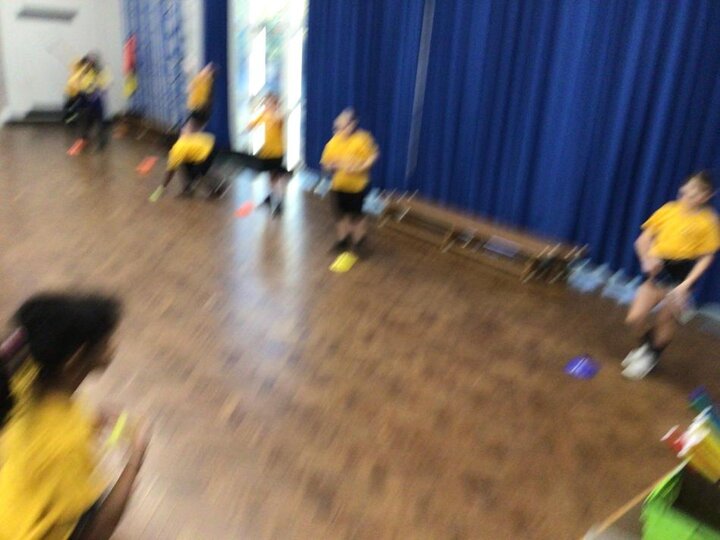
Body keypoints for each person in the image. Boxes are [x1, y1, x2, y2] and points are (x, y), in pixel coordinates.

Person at [0, 292, 150, 539]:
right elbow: (96, 532)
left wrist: (86, 423)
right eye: (106, 341)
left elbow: (41, 429)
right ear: (75, 360)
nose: (113, 345)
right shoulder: (68, 449)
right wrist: (135, 460)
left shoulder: (25, 378)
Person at [622, 171, 720, 379]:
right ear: (683, 187)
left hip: (681, 273)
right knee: (635, 317)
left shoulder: (708, 221)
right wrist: (647, 260)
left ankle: (650, 356)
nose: (692, 194)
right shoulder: (667, 210)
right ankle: (646, 349)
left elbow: (706, 257)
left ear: (706, 196)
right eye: (690, 188)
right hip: (658, 270)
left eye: (699, 192)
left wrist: (686, 284)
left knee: (665, 321)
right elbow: (642, 241)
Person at [320, 108, 379, 254]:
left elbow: (373, 156)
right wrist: (331, 166)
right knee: (339, 216)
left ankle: (359, 242)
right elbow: (325, 164)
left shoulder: (362, 139)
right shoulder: (332, 143)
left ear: (352, 124)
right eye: (338, 127)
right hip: (338, 186)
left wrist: (361, 167)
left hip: (357, 187)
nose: (340, 130)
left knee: (356, 217)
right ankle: (343, 241)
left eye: (343, 126)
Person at [149, 117, 224, 202]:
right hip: (207, 143)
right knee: (186, 166)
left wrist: (162, 187)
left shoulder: (176, 151)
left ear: (168, 146)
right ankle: (188, 190)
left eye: (163, 148)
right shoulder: (180, 142)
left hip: (208, 150)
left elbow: (171, 172)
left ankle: (216, 188)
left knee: (198, 173)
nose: (163, 151)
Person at [243, 93, 290, 217]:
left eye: (269, 103)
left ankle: (280, 203)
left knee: (276, 177)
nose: (266, 105)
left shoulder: (278, 115)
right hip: (266, 152)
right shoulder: (263, 115)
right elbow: (251, 126)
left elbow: (279, 120)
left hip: (277, 152)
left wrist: (273, 112)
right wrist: (249, 124)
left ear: (275, 104)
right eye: (266, 103)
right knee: (270, 177)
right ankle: (271, 197)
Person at [69, 54, 112, 150]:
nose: (89, 64)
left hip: (96, 98)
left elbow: (105, 84)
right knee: (86, 119)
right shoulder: (82, 71)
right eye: (87, 62)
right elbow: (75, 83)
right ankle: (84, 138)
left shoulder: (99, 72)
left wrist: (96, 88)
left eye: (91, 62)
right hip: (84, 97)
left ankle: (102, 141)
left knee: (99, 120)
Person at [63, 58, 87, 124]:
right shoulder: (77, 71)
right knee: (69, 107)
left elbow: (79, 84)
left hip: (74, 92)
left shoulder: (78, 71)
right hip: (72, 92)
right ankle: (69, 119)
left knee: (71, 107)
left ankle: (69, 119)